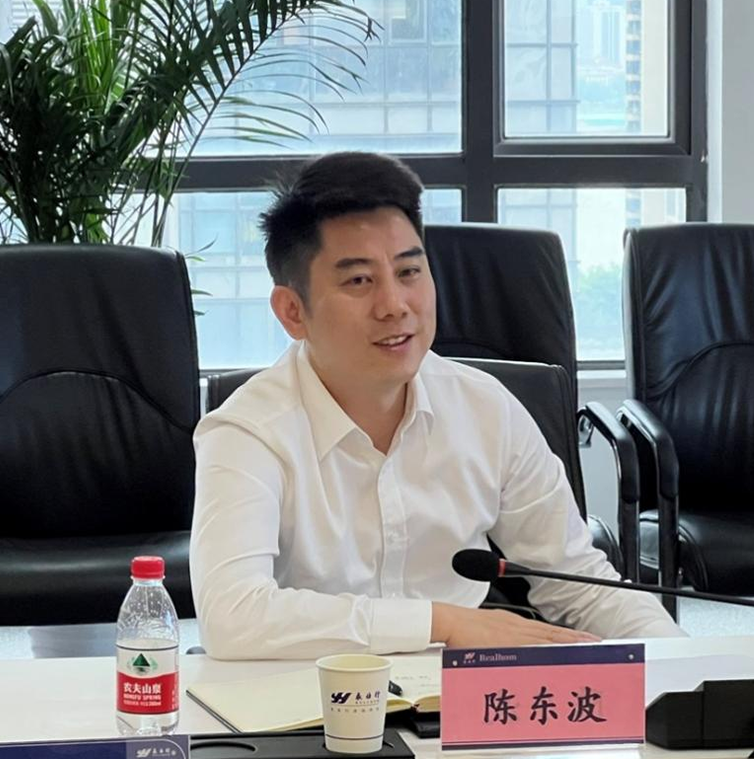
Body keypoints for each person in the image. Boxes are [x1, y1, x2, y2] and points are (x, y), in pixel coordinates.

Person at [190, 151, 683, 660]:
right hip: (305, 690)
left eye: (409, 271)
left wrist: (689, 665)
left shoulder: (486, 408)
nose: (395, 305)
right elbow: (233, 616)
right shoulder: (248, 431)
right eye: (359, 281)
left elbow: (579, 583)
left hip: (461, 692)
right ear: (293, 311)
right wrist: (441, 623)